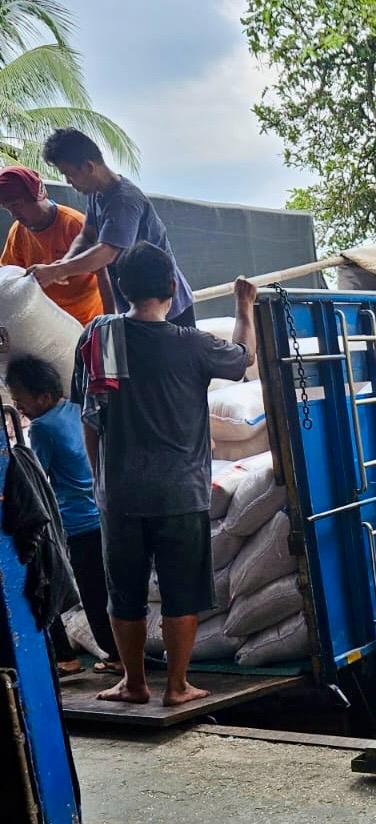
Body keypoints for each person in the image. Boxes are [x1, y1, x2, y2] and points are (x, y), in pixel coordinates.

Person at [71, 241, 255, 707]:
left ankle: (133, 683)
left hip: (122, 492)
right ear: (172, 286)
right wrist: (244, 305)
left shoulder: (104, 338)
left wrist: (100, 481)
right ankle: (177, 686)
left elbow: (93, 416)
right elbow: (242, 358)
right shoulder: (191, 344)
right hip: (180, 493)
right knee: (180, 592)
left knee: (125, 592)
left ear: (118, 286)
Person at [5, 354, 120, 676]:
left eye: (20, 401)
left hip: (73, 522)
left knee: (75, 589)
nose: (20, 408)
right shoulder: (76, 411)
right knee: (107, 590)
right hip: (101, 514)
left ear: (43, 397)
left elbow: (36, 478)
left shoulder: (42, 428)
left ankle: (103, 656)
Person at [34, 128, 196, 326]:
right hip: (136, 304)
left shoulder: (124, 201)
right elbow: (87, 236)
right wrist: (63, 264)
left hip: (165, 304)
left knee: (176, 356)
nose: (68, 181)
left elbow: (106, 253)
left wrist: (56, 272)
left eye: (69, 174)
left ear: (88, 166)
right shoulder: (97, 193)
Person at [0, 166, 108, 326]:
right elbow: (8, 275)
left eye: (17, 205)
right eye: (8, 209)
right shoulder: (18, 231)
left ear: (37, 195)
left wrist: (111, 325)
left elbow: (106, 272)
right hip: (43, 324)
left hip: (84, 324)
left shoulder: (76, 225)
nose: (14, 215)